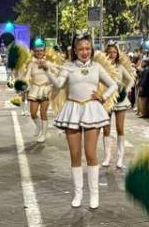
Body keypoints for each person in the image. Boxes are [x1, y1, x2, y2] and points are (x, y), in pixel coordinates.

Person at [51, 36, 118, 209]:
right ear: (75, 50)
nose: (84, 52)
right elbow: (58, 84)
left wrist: (102, 97)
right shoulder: (68, 67)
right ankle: (78, 193)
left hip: (91, 111)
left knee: (90, 153)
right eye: (81, 49)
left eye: (87, 48)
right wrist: (47, 71)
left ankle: (94, 195)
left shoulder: (97, 67)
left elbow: (113, 85)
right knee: (75, 155)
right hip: (72, 110)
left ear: (92, 49)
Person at [100, 43, 136, 169]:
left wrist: (125, 90)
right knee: (106, 129)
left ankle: (120, 158)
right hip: (107, 100)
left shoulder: (120, 67)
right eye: (109, 52)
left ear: (117, 54)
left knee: (120, 128)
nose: (112, 54)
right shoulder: (102, 67)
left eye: (114, 52)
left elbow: (131, 80)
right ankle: (107, 157)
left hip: (120, 101)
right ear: (106, 53)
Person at [22, 44, 56, 142]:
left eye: (41, 51)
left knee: (43, 112)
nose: (39, 52)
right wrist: (23, 83)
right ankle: (39, 127)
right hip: (35, 89)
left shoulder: (48, 63)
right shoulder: (31, 64)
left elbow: (56, 73)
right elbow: (27, 76)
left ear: (44, 52)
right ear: (34, 52)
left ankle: (43, 135)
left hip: (46, 89)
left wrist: (53, 82)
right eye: (37, 51)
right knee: (33, 113)